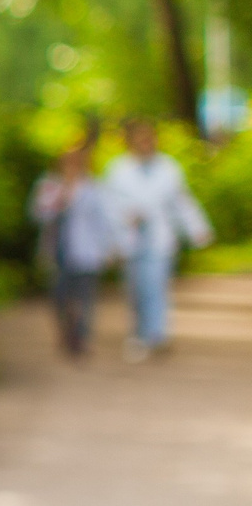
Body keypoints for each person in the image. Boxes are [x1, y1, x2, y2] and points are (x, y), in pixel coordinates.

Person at [99, 116, 213, 361]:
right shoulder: (117, 169)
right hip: (128, 238)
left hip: (159, 239)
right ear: (130, 142)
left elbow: (182, 202)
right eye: (140, 139)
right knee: (136, 289)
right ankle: (139, 333)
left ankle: (156, 335)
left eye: (149, 138)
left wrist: (197, 229)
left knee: (157, 286)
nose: (145, 143)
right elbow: (107, 207)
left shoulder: (168, 168)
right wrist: (121, 223)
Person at [28, 143, 116, 357]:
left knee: (85, 297)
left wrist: (110, 248)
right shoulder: (49, 185)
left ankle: (81, 338)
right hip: (58, 251)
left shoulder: (93, 187)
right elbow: (38, 214)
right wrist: (62, 196)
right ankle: (66, 332)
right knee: (59, 296)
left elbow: (104, 220)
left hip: (87, 252)